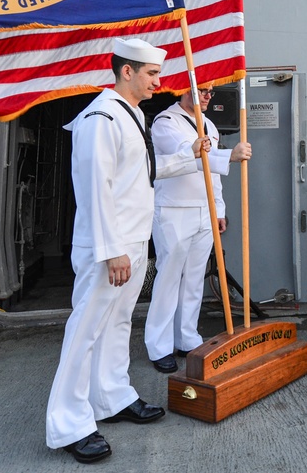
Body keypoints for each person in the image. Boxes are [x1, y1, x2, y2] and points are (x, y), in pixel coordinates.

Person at [45, 39, 211, 464]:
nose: (159, 82)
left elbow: (145, 172)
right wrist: (112, 250)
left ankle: (113, 397)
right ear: (127, 72)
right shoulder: (101, 117)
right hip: (111, 246)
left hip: (135, 241)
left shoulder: (132, 114)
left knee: (118, 324)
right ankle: (69, 424)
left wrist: (191, 157)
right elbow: (95, 188)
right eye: (152, 74)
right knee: (85, 333)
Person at [145, 84, 252, 373]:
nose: (208, 96)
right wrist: (230, 155)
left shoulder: (209, 125)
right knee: (169, 278)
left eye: (210, 92)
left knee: (193, 279)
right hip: (174, 210)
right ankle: (159, 345)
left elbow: (212, 174)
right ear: (183, 90)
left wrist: (219, 209)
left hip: (204, 210)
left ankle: (187, 338)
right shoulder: (166, 122)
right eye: (202, 91)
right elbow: (187, 156)